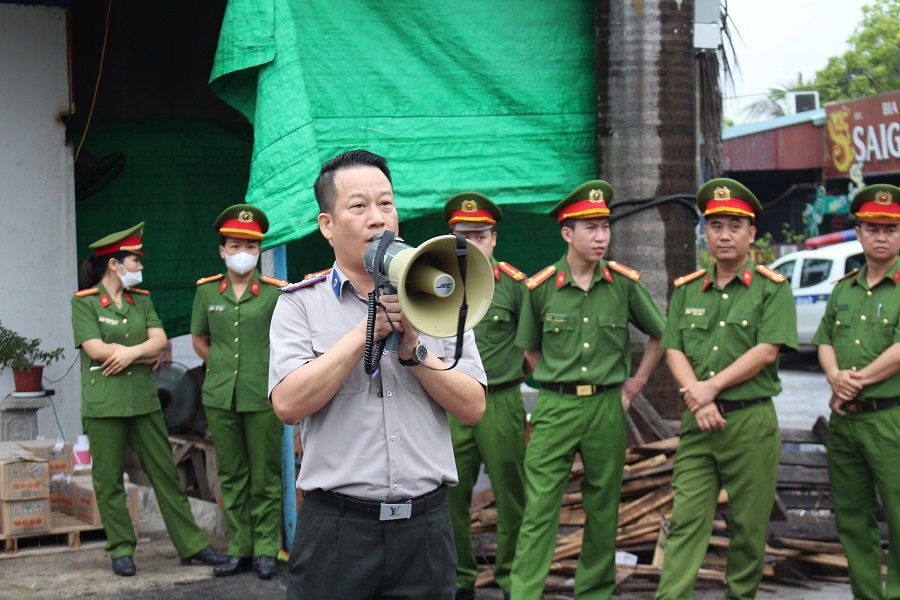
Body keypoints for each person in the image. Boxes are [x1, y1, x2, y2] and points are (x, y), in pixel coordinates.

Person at [268, 149, 487, 600]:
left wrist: (414, 348)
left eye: (386, 204)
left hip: (424, 533)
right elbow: (288, 404)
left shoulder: (441, 296)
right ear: (327, 225)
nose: (377, 219)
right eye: (359, 206)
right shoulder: (299, 304)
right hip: (337, 534)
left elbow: (473, 406)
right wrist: (367, 331)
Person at [510, 181, 666, 600]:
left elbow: (661, 335)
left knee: (603, 507)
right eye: (591, 228)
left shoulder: (623, 284)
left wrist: (637, 383)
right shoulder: (541, 287)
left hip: (607, 406)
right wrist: (554, 382)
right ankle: (524, 592)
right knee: (540, 507)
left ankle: (594, 592)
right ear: (567, 233)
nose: (601, 237)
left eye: (605, 227)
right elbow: (529, 349)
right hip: (556, 407)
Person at [655, 178, 797, 600]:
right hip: (699, 422)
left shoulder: (773, 288)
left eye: (735, 225)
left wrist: (709, 388)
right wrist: (698, 400)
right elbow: (673, 349)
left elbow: (767, 351)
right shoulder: (687, 289)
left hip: (750, 422)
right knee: (685, 521)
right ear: (705, 233)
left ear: (751, 234)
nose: (725, 234)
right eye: (716, 225)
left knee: (749, 528)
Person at [71, 222, 226, 577]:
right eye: (135, 261)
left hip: (143, 401)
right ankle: (121, 549)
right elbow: (94, 349)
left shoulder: (142, 300)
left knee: (165, 475)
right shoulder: (85, 302)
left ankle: (192, 545)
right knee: (108, 479)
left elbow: (159, 341)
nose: (141, 268)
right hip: (104, 404)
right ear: (115, 265)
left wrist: (128, 355)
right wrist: (142, 355)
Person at [812, 183, 900, 600]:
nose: (880, 237)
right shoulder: (843, 288)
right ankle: (868, 594)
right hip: (846, 421)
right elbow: (825, 338)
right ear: (859, 233)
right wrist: (834, 376)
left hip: (890, 418)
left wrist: (855, 380)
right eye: (872, 229)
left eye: (890, 229)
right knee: (852, 517)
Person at [190, 204, 287, 579]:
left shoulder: (275, 293)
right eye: (234, 245)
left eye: (249, 245)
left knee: (264, 474)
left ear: (259, 250)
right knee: (230, 475)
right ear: (222, 250)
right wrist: (217, 366)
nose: (242, 252)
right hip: (220, 395)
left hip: (262, 394)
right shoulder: (206, 291)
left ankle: (265, 549)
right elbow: (199, 339)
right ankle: (239, 549)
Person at [442, 193, 527, 600]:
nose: (472, 243)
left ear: (494, 239)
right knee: (450, 495)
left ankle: (511, 579)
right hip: (451, 403)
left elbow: (530, 350)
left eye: (480, 235)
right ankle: (461, 580)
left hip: (501, 401)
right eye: (463, 236)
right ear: (451, 239)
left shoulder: (514, 286)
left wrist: (508, 379)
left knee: (511, 496)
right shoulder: (437, 284)